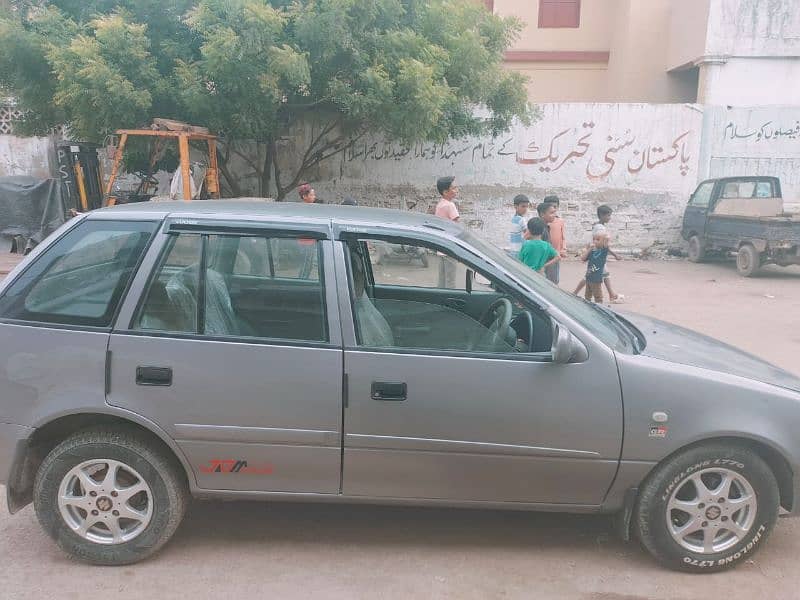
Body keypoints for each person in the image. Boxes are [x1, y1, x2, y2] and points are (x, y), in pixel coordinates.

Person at [573, 205, 624, 302]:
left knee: (602, 275)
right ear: (601, 215)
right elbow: (604, 244)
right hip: (598, 255)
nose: (610, 218)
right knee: (592, 276)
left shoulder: (598, 226)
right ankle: (576, 292)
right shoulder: (600, 229)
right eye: (608, 215)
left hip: (597, 254)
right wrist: (614, 255)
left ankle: (611, 294)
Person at [580, 231, 621, 303]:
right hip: (588, 278)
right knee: (587, 296)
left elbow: (607, 245)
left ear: (604, 242)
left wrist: (616, 256)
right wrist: (589, 249)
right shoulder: (592, 251)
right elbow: (583, 258)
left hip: (596, 279)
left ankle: (599, 308)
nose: (595, 241)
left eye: (598, 239)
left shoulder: (603, 251)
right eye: (594, 239)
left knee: (598, 297)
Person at [434, 175, 459, 286]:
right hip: (450, 248)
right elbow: (457, 227)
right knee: (450, 281)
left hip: (441, 247)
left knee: (442, 279)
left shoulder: (440, 205)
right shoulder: (450, 205)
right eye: (453, 188)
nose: (456, 190)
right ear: (445, 192)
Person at [543, 195, 567, 284]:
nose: (553, 209)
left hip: (555, 254)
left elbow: (563, 237)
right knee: (542, 275)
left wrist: (563, 249)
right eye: (550, 207)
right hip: (544, 253)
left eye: (555, 207)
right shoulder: (542, 221)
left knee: (554, 278)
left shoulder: (560, 221)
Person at [535, 200, 559, 284]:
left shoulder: (546, 227)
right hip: (545, 265)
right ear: (542, 214)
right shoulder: (540, 229)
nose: (554, 215)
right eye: (551, 213)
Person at [507, 194, 530, 258]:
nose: (525, 209)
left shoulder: (513, 219)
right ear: (515, 206)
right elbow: (528, 234)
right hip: (520, 251)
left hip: (513, 249)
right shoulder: (521, 220)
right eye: (523, 206)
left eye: (526, 206)